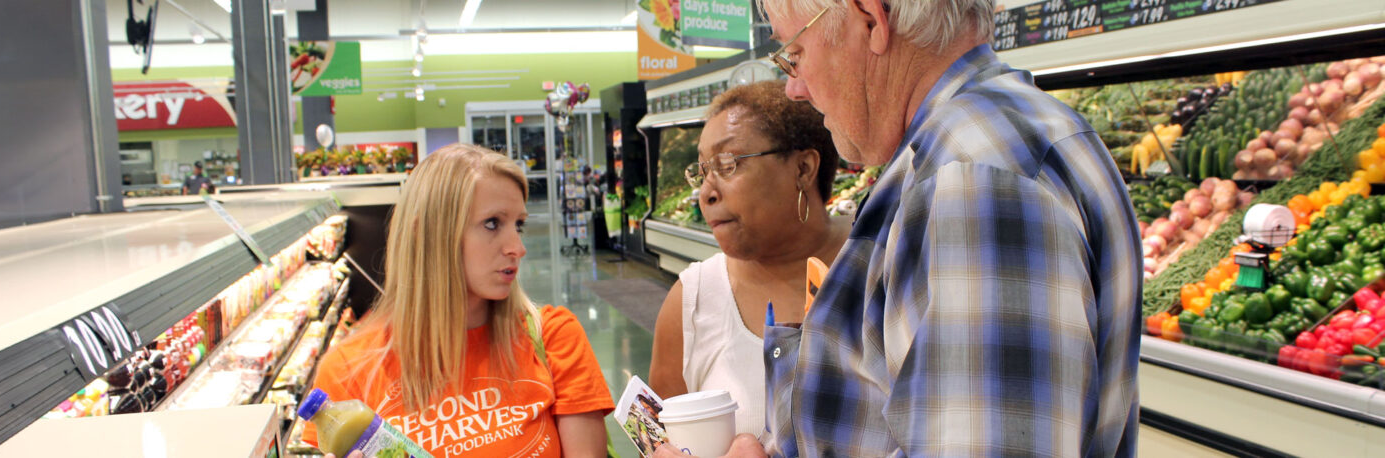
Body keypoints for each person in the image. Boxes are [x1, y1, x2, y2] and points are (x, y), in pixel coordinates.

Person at [661, 0, 1143, 456]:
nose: (795, 87)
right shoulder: (992, 141)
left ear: (871, 20)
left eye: (795, 54)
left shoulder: (972, 179)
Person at [304, 143, 614, 457]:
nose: (517, 247)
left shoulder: (553, 336)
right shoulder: (348, 371)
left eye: (518, 225)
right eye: (492, 223)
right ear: (427, 235)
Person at [648, 80, 848, 439]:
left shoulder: (879, 265)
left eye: (728, 163)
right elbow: (660, 443)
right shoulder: (691, 302)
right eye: (702, 171)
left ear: (803, 168)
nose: (706, 192)